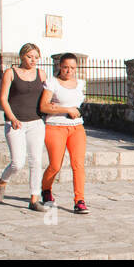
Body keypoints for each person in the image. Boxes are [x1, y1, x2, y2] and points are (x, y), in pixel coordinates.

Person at [0, 43, 48, 211]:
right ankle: (3, 181)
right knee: (17, 162)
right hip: (15, 123)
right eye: (29, 56)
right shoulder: (10, 73)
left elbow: (48, 95)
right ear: (22, 57)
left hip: (36, 123)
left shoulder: (41, 74)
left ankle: (34, 199)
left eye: (36, 57)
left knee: (36, 161)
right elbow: (3, 98)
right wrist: (12, 117)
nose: (33, 60)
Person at [40, 53, 88, 214]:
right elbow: (44, 107)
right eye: (66, 67)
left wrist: (76, 111)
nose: (69, 71)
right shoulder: (52, 83)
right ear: (60, 66)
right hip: (55, 127)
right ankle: (46, 189)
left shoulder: (80, 83)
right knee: (55, 165)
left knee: (78, 164)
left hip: (76, 128)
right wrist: (66, 110)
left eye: (72, 68)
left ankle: (79, 200)